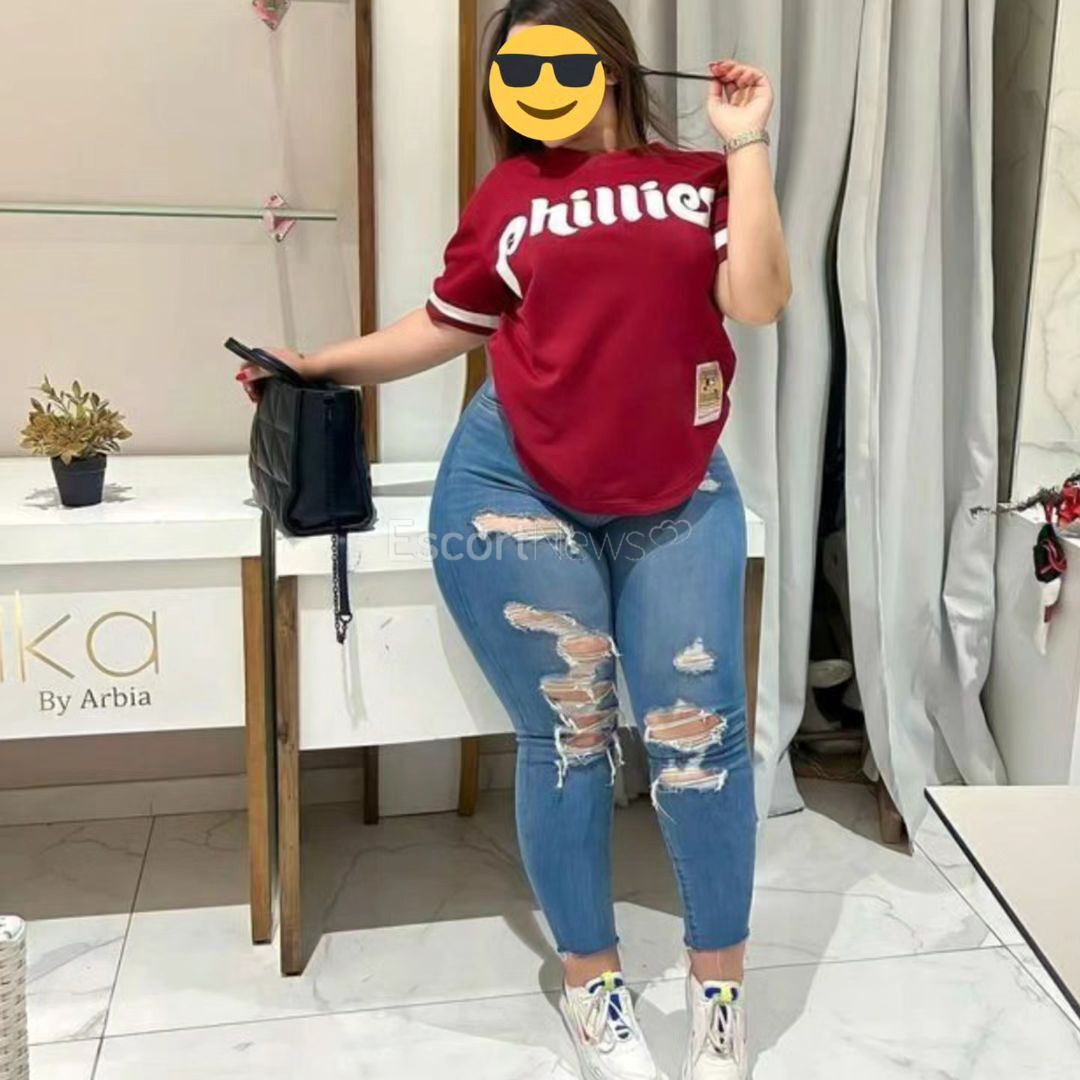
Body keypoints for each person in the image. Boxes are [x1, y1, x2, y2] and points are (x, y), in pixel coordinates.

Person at [237, 1, 789, 1075]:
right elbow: (444, 327)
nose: (537, 90)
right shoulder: (509, 195)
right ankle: (593, 986)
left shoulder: (701, 178)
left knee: (700, 739)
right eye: (515, 72)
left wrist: (750, 144)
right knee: (571, 732)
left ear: (608, 62)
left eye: (556, 64)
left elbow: (759, 300)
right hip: (514, 484)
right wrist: (314, 364)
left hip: (677, 489)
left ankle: (719, 991)